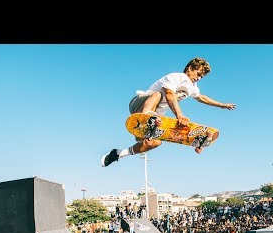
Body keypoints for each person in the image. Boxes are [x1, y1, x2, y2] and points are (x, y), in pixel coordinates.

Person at [101, 57, 237, 167]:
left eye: (202, 77)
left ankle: (118, 154)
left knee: (156, 143)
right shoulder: (176, 77)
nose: (199, 78)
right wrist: (179, 115)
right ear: (190, 68)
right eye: (198, 74)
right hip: (140, 104)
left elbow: (201, 98)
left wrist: (221, 105)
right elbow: (169, 94)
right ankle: (148, 116)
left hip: (150, 120)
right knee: (159, 95)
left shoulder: (192, 88)